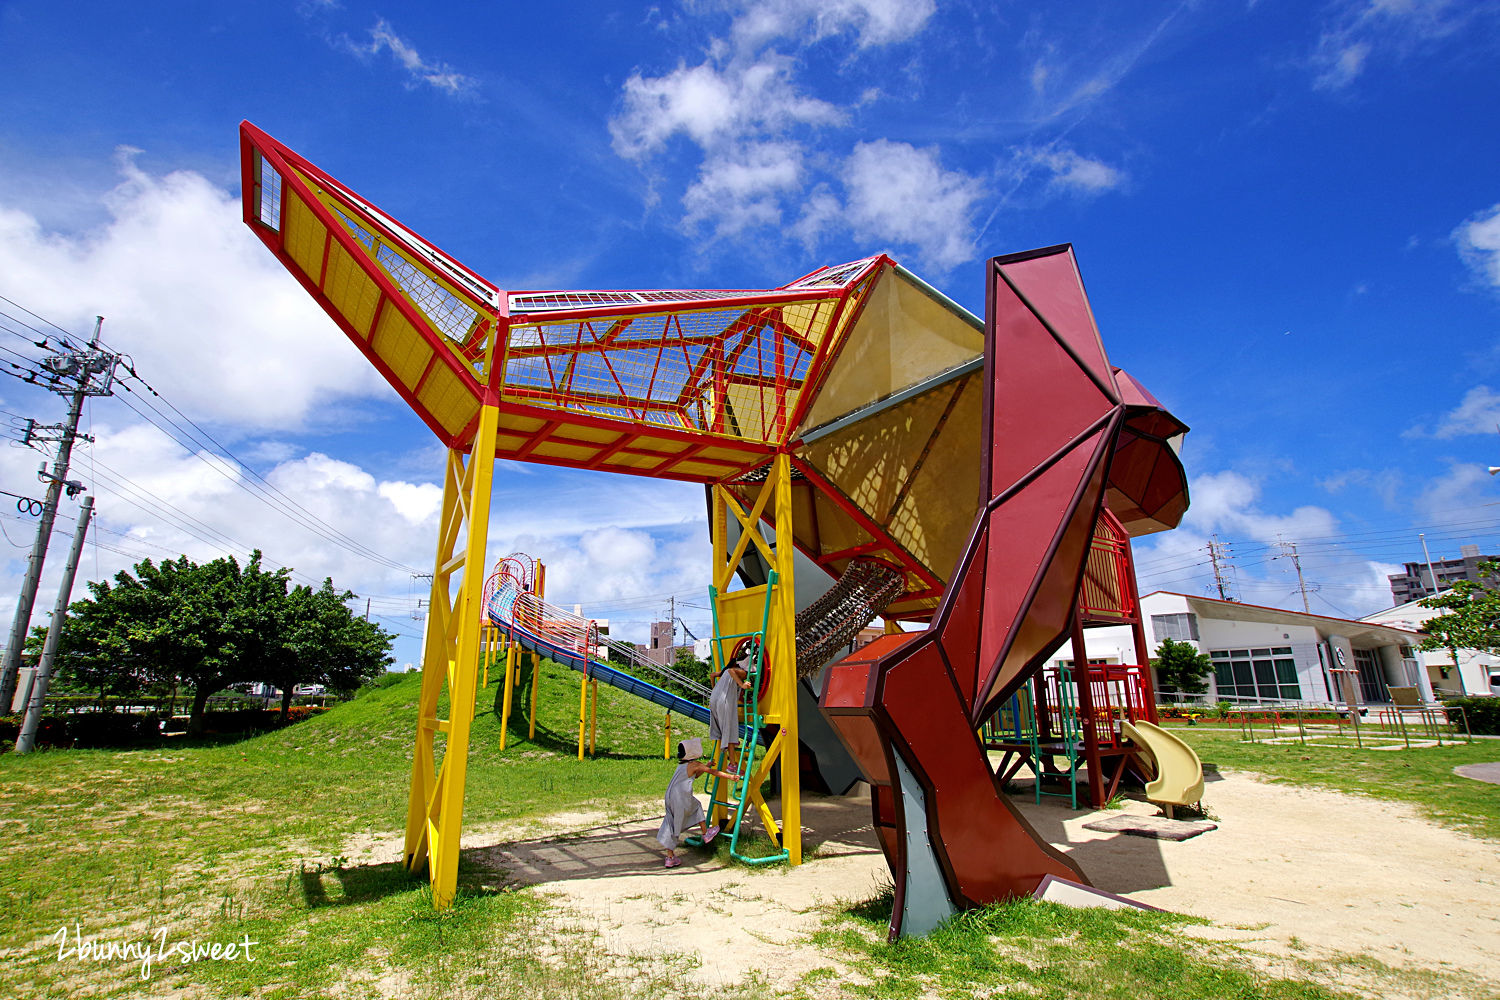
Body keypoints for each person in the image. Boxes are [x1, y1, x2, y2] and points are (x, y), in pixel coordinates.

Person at [656, 738, 734, 868]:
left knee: (672, 822)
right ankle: (706, 833)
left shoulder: (682, 765)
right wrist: (730, 777)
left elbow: (694, 775)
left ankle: (670, 857)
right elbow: (713, 772)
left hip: (670, 796)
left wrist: (706, 766)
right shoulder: (695, 764)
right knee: (697, 807)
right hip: (680, 796)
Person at [709, 640, 755, 773]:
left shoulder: (723, 671)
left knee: (726, 730)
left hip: (715, 698)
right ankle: (732, 765)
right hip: (724, 701)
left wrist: (715, 689)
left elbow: (712, 675)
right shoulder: (741, 672)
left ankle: (731, 753)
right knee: (729, 730)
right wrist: (742, 685)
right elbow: (731, 671)